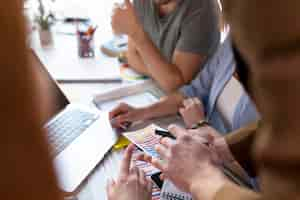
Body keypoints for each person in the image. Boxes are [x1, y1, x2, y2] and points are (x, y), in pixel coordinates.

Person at [110, 37, 259, 135]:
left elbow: (258, 172)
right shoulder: (233, 43)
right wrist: (141, 112)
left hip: (227, 175)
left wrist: (200, 127)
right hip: (201, 148)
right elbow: (192, 92)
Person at [111, 0, 221, 92]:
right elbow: (133, 55)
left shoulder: (202, 8)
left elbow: (177, 86)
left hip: (195, 108)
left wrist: (136, 33)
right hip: (160, 97)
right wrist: (161, 75)